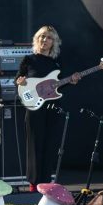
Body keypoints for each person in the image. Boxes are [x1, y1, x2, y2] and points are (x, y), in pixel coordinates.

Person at [15, 25, 81, 191]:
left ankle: (45, 183)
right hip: (34, 109)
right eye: (42, 36)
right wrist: (20, 82)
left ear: (54, 42)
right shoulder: (29, 60)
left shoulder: (56, 64)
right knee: (34, 145)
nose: (45, 40)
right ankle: (33, 184)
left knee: (50, 145)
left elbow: (57, 88)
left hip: (52, 108)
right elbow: (19, 81)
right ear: (37, 39)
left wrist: (71, 81)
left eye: (49, 37)